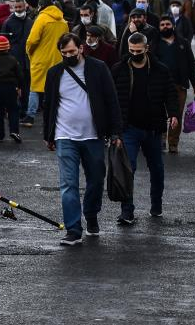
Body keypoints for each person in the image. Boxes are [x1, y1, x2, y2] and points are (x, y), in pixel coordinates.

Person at [41, 34, 122, 244]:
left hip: (93, 136)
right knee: (68, 184)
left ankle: (91, 214)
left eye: (72, 51)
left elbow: (111, 100)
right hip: (64, 135)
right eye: (64, 53)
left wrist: (115, 132)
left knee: (96, 180)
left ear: (81, 48)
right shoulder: (54, 73)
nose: (68, 55)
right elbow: (49, 105)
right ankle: (73, 229)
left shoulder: (98, 68)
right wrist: (48, 136)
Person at [111, 34, 179, 224]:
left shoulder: (160, 70)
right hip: (128, 128)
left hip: (153, 128)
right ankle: (127, 211)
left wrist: (173, 114)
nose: (134, 54)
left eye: (138, 51)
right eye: (131, 51)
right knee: (127, 169)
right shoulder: (119, 70)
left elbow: (170, 94)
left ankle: (156, 204)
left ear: (147, 48)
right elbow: (111, 99)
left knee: (157, 169)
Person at [156, 15, 195, 154]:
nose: (165, 27)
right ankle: (161, 137)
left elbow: (190, 65)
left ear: (173, 26)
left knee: (176, 114)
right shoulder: (154, 44)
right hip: (159, 85)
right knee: (159, 113)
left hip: (179, 85)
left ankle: (173, 143)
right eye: (162, 25)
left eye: (167, 24)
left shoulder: (183, 43)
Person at [23, 0, 69, 128]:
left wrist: (29, 51)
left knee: (35, 88)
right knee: (55, 89)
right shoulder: (63, 21)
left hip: (41, 59)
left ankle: (30, 117)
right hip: (58, 59)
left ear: (41, 7)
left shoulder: (41, 19)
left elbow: (32, 40)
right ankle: (56, 116)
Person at [0, 35, 23, 143]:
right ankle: (14, 131)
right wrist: (19, 87)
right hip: (11, 88)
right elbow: (20, 76)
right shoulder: (13, 60)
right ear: (8, 47)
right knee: (13, 110)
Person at [2, 0, 33, 117]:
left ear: (25, 6)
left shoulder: (30, 22)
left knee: (26, 87)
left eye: (20, 7)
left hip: (27, 61)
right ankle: (13, 110)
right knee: (13, 87)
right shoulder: (8, 23)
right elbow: (3, 41)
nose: (18, 9)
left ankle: (24, 110)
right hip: (13, 60)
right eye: (16, 7)